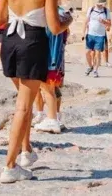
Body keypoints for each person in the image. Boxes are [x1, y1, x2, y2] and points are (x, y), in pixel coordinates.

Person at [0, 0, 67, 184]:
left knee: (23, 102)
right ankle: (9, 166)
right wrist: (69, 20)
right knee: (23, 108)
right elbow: (55, 27)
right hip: (33, 45)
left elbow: (0, 19)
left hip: (10, 43)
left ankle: (26, 152)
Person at [34, 7, 73, 135]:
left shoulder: (47, 13)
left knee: (46, 89)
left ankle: (52, 118)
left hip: (49, 57)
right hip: (56, 58)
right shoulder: (61, 13)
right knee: (49, 89)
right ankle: (50, 115)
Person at [82, 0, 110, 78]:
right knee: (87, 52)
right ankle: (90, 66)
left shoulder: (106, 11)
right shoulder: (91, 9)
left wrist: (104, 22)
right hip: (90, 34)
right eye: (99, 4)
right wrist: (83, 33)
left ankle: (95, 70)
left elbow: (109, 24)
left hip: (100, 35)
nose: (100, 6)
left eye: (101, 4)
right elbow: (86, 21)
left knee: (97, 53)